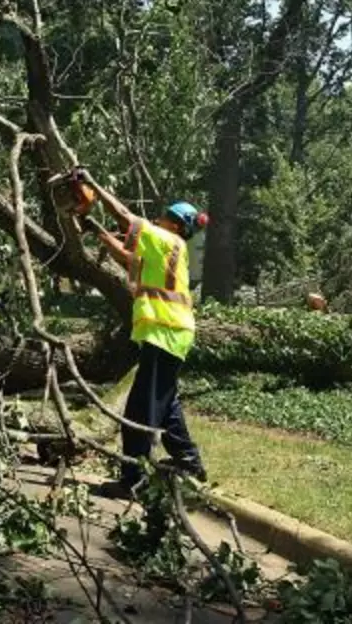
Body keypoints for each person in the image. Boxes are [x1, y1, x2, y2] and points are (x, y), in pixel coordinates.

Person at [76, 172, 208, 498]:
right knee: (166, 403)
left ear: (176, 225)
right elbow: (128, 258)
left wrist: (92, 184)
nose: (157, 218)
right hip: (171, 334)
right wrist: (96, 230)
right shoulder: (165, 249)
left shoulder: (167, 240)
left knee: (140, 410)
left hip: (166, 333)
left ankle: (133, 480)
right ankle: (189, 461)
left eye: (164, 216)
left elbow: (126, 216)